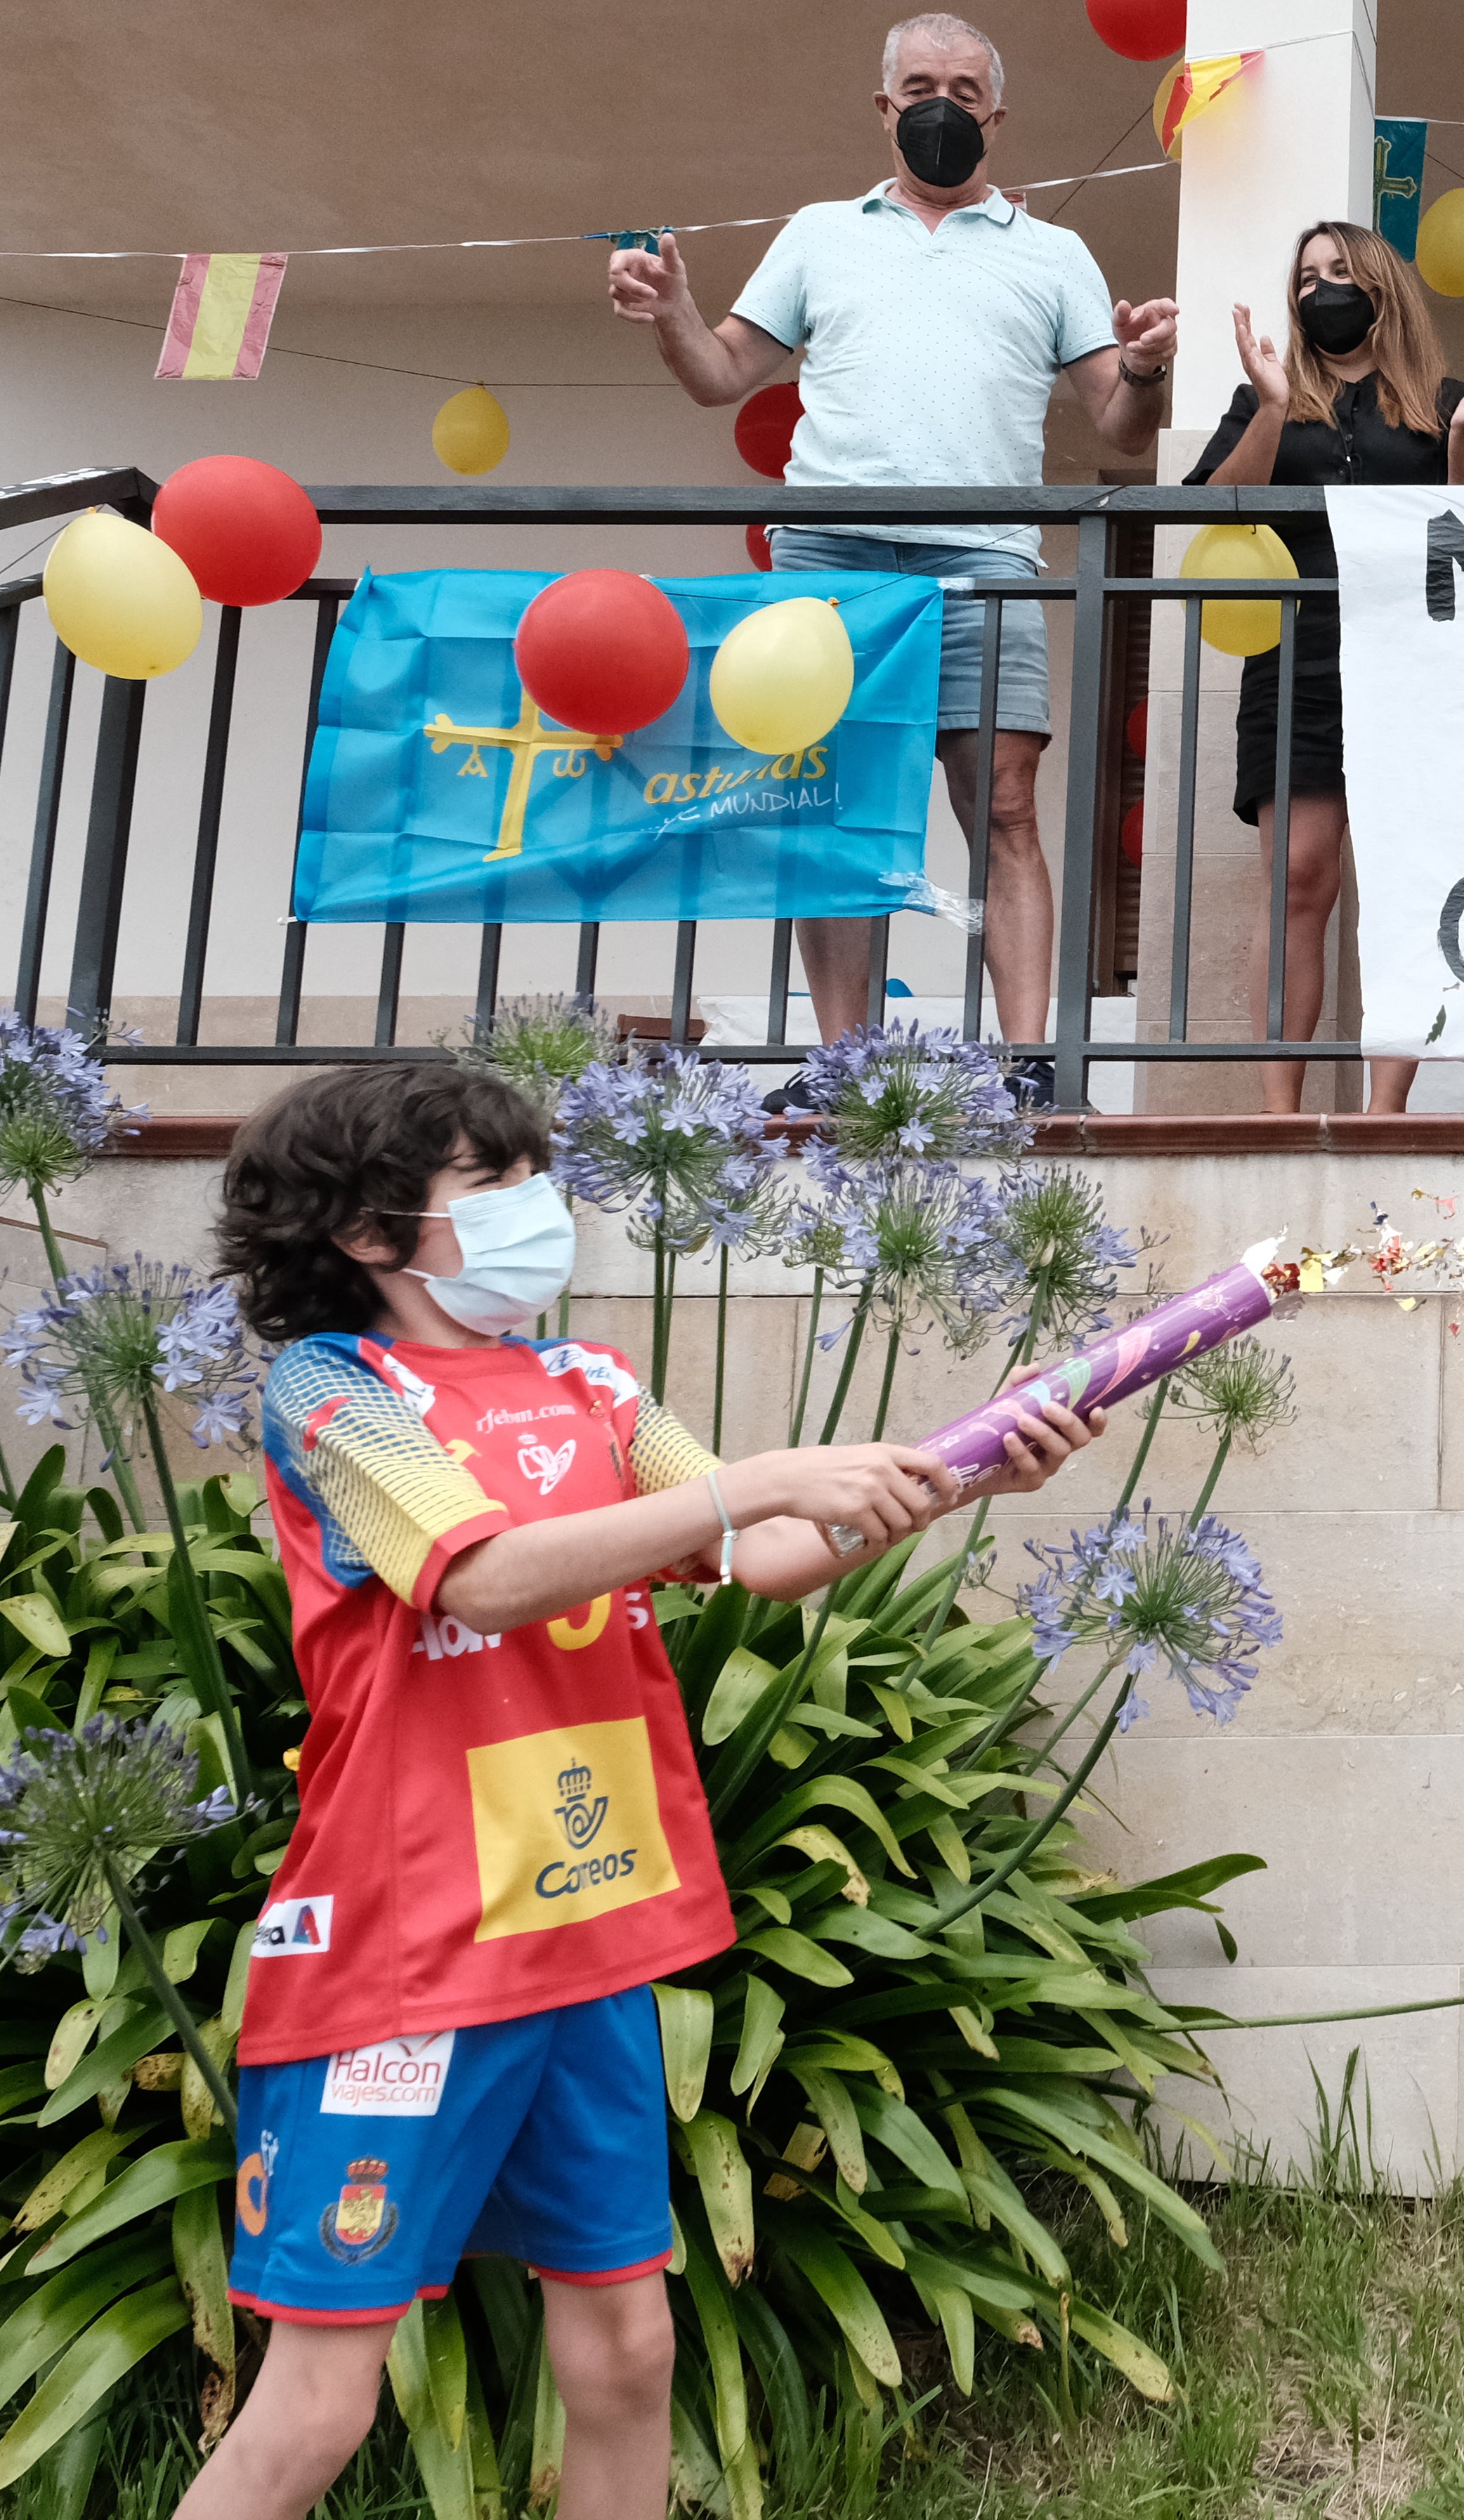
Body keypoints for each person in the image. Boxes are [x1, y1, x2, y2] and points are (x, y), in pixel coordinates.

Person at [178, 1060, 1093, 2520]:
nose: (541, 1208)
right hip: (406, 1958)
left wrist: (962, 1475)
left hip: (588, 1935)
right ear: (367, 1232)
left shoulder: (588, 1382)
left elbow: (762, 1557)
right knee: (319, 2405)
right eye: (494, 1184)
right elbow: (483, 1572)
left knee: (626, 2348)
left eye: (534, 1175)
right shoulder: (332, 1391)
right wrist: (765, 1479)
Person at [607, 12, 1179, 1103]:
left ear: (997, 118)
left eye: (966, 91)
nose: (942, 106)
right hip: (830, 559)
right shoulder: (821, 233)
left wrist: (1147, 366)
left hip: (984, 558)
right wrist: (676, 311)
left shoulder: (1051, 252)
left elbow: (1120, 427)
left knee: (1005, 807)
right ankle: (843, 1069)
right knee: (833, 807)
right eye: (921, 85)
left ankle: (1030, 1072)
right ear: (883, 107)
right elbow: (721, 376)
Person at [1192, 221, 1464, 1117]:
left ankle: (1387, 1108)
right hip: (1293, 658)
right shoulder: (1263, 393)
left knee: (1404, 882)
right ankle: (1278, 1108)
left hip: (1416, 669)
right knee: (1298, 876)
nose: (1323, 290)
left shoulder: (1448, 398)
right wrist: (1266, 405)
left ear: (1384, 288)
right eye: (1307, 277)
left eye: (1341, 272)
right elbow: (1212, 509)